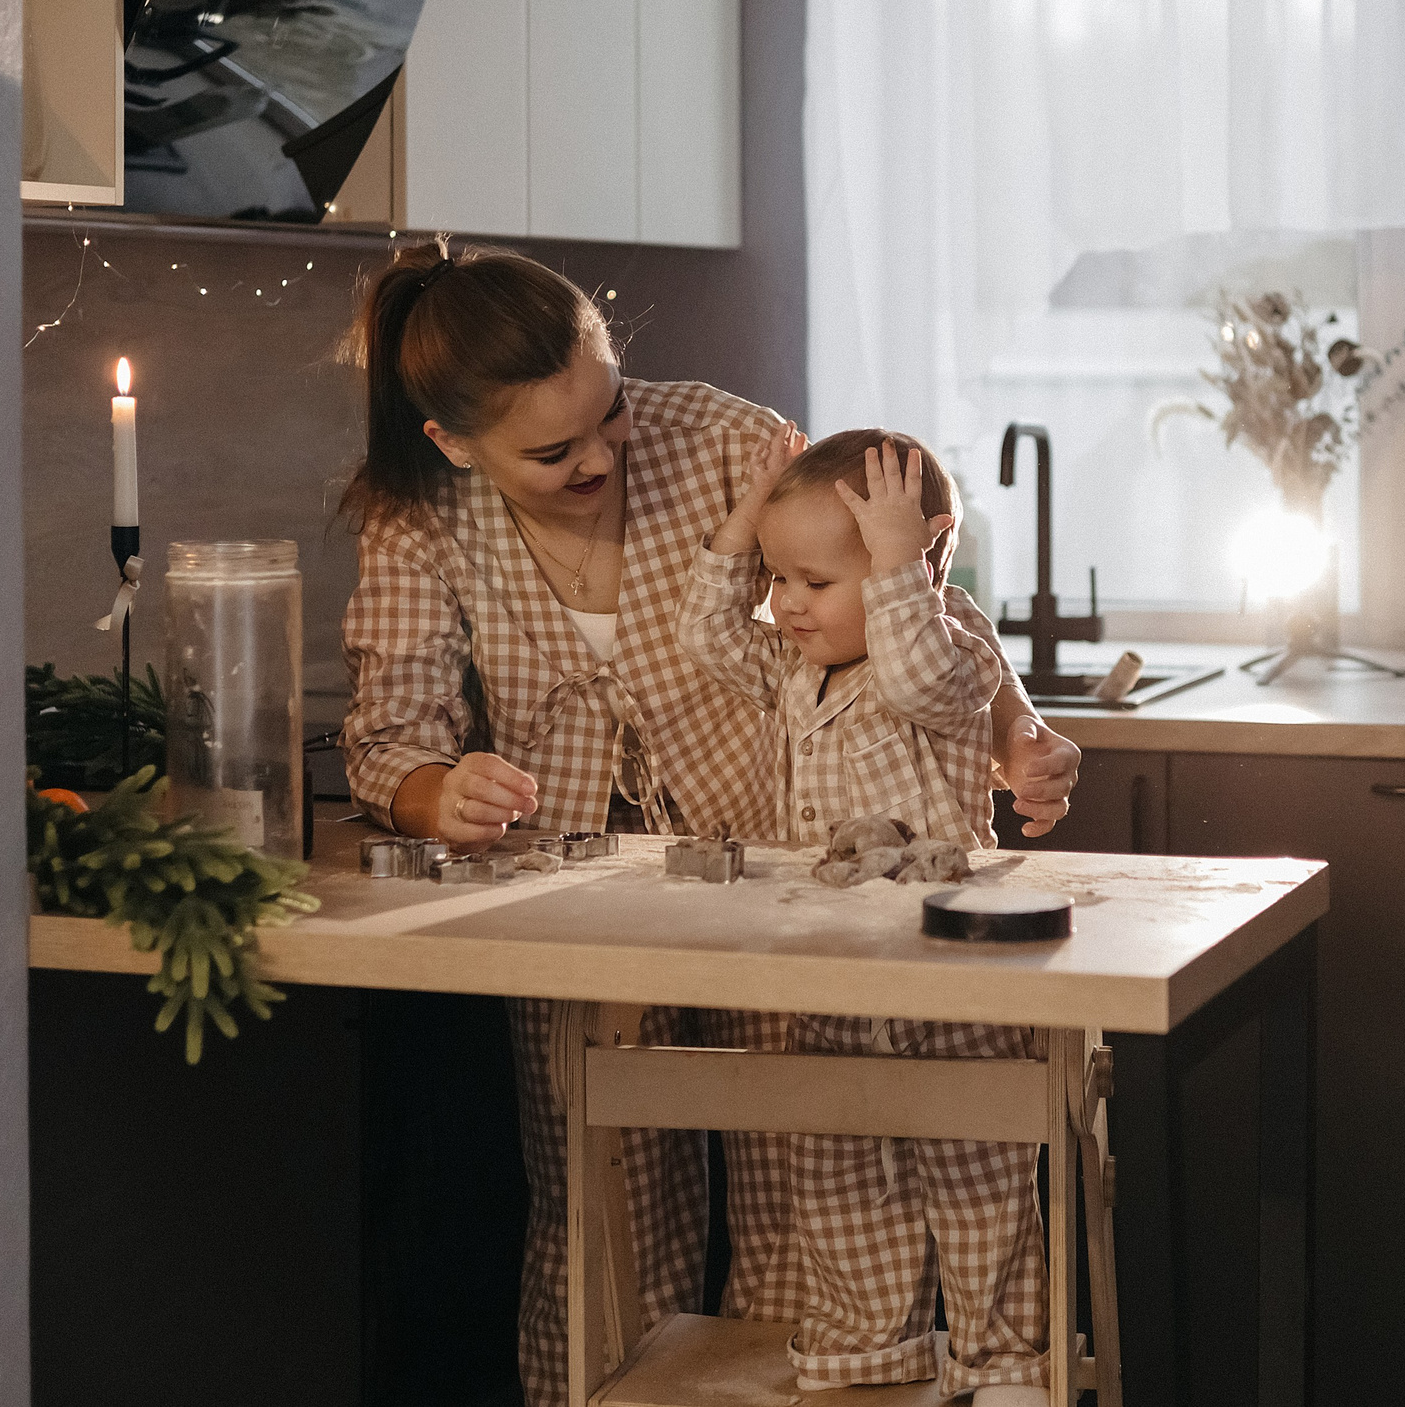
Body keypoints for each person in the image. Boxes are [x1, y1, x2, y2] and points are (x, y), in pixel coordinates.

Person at [335, 237, 1080, 1407]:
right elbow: (387, 734)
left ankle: (825, 1381)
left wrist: (1015, 734)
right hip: (576, 902)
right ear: (454, 445)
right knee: (600, 1204)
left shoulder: (727, 440)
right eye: (553, 451)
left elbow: (916, 600)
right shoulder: (417, 516)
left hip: (784, 877)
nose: (600, 455)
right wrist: (442, 788)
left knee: (811, 1183)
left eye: (610, 414)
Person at [677, 427, 1049, 1405]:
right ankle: (863, 1357)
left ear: (920, 559)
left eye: (814, 581)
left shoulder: (952, 650)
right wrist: (748, 513)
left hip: (949, 981)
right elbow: (705, 634)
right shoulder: (794, 667)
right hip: (834, 970)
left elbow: (919, 672)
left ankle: (1002, 1364)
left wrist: (896, 567)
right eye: (778, 578)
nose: (786, 603)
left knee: (977, 1177)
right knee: (840, 1171)